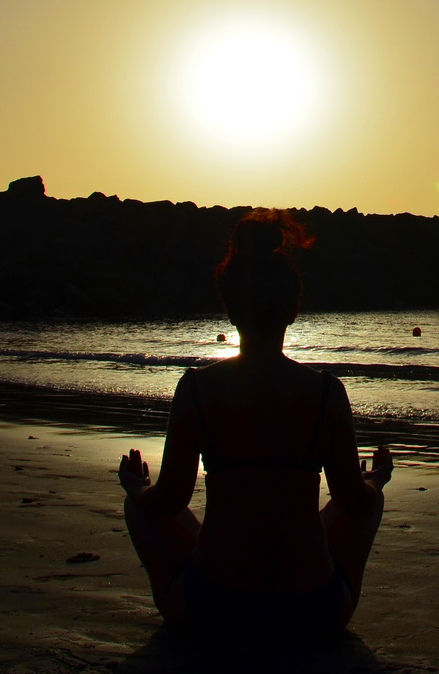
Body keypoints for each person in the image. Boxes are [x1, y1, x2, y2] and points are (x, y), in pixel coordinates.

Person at [119, 209, 394, 633]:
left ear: (230, 312)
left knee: (138, 507)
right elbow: (352, 502)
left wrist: (137, 489)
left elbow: (169, 501)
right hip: (312, 610)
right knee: (368, 503)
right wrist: (374, 482)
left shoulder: (196, 388)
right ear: (292, 310)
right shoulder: (325, 391)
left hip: (213, 607)